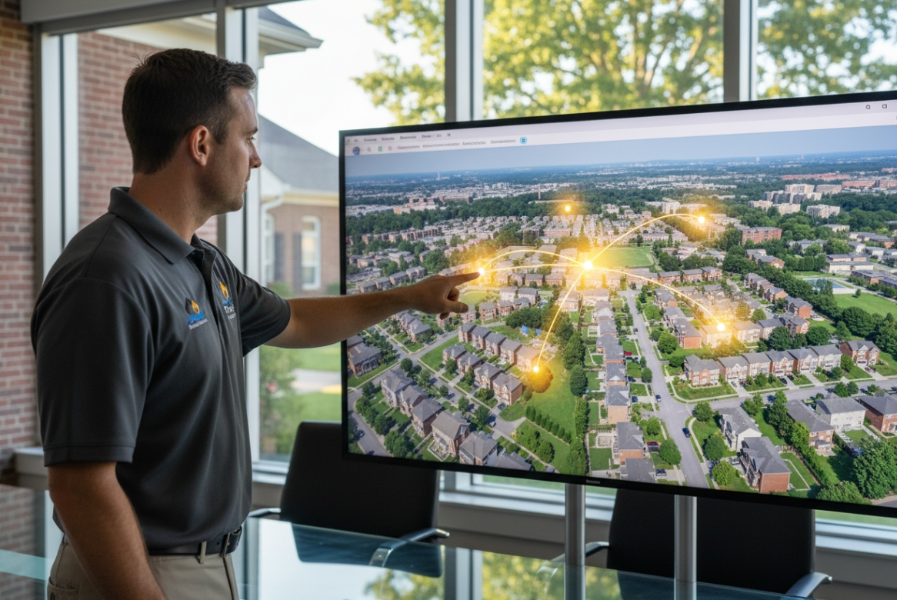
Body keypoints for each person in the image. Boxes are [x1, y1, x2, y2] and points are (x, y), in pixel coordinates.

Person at [31, 49, 476, 600]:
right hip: (140, 574)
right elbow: (80, 487)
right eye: (249, 138)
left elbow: (294, 321)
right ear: (201, 144)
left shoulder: (201, 263)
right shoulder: (107, 279)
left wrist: (408, 297)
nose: (257, 159)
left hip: (204, 565)